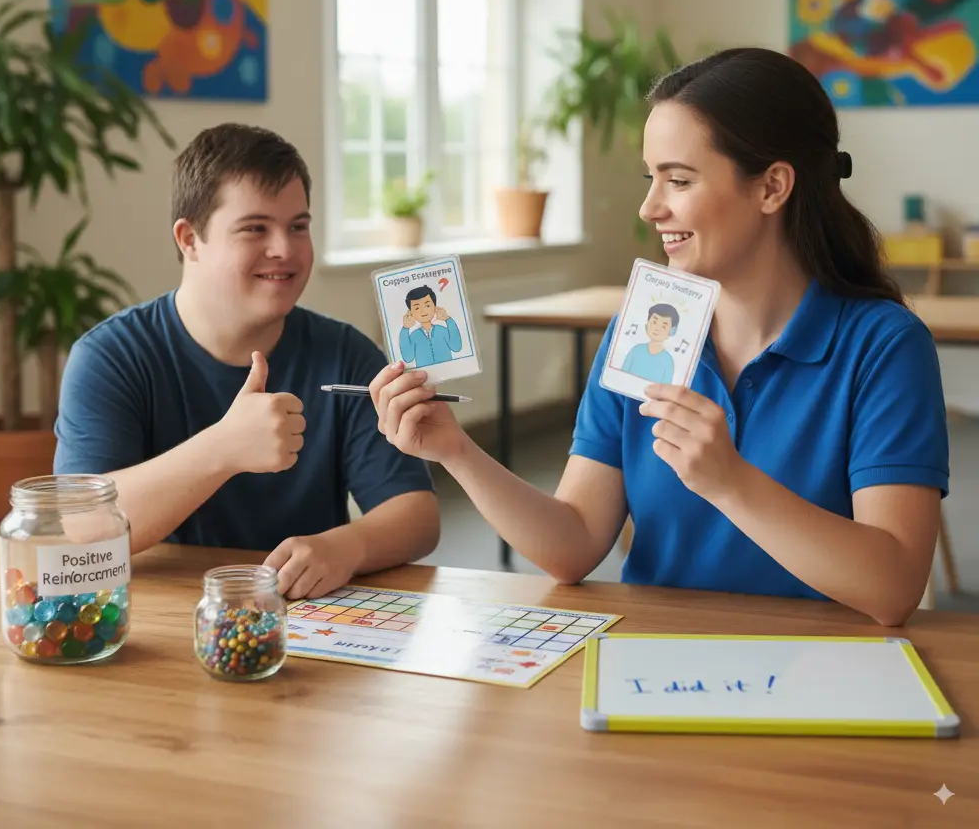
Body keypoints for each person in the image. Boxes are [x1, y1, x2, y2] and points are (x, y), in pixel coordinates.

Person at [369, 47, 949, 627]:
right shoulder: (641, 332)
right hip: (656, 666)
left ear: (772, 186)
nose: (650, 208)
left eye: (679, 180)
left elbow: (894, 586)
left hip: (827, 673)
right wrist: (457, 452)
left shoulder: (884, 346)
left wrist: (731, 483)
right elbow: (572, 545)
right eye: (652, 179)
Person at [55, 123, 439, 598]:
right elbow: (84, 524)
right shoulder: (110, 357)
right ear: (189, 240)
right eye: (255, 228)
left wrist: (348, 547)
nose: (284, 248)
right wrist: (223, 448)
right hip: (161, 620)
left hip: (304, 619)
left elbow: (417, 514)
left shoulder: (345, 353)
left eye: (298, 225)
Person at [399, 285, 462, 368]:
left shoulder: (442, 330)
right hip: (425, 375)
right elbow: (408, 358)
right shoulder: (414, 336)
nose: (423, 311)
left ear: (435, 307)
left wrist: (448, 320)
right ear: (410, 312)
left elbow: (456, 347)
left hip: (449, 370)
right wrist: (405, 329)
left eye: (427, 306)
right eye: (417, 308)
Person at [622, 303, 679, 383]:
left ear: (672, 331)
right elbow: (622, 375)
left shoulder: (668, 361)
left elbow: (666, 386)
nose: (657, 328)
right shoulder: (635, 351)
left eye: (664, 325)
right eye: (654, 322)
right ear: (647, 324)